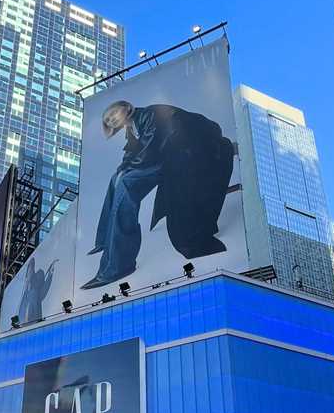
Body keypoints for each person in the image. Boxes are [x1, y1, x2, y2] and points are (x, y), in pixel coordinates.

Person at [82, 99, 237, 289]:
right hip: (169, 153)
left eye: (115, 118)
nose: (114, 123)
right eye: (111, 122)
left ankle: (117, 267)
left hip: (192, 152)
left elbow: (150, 152)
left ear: (126, 112)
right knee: (116, 178)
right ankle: (105, 240)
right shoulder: (133, 127)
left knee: (125, 185)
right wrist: (123, 168)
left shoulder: (150, 115)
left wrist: (128, 170)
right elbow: (134, 153)